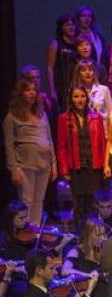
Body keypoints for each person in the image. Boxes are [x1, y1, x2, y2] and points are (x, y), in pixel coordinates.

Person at [4, 79, 55, 224]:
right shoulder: (12, 117)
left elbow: (49, 139)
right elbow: (9, 145)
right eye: (28, 90)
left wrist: (54, 165)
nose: (32, 93)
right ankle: (25, 235)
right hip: (25, 165)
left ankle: (36, 233)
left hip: (44, 164)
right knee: (27, 201)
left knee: (39, 201)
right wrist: (13, 170)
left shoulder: (41, 114)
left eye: (34, 90)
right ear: (20, 94)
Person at [57, 85, 108, 220]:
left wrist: (105, 165)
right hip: (76, 167)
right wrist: (64, 170)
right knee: (78, 204)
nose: (79, 100)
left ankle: (93, 235)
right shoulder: (64, 119)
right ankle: (80, 235)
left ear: (87, 98)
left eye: (82, 96)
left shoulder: (96, 117)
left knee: (93, 203)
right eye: (76, 96)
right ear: (71, 99)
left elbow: (103, 143)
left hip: (94, 166)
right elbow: (62, 146)